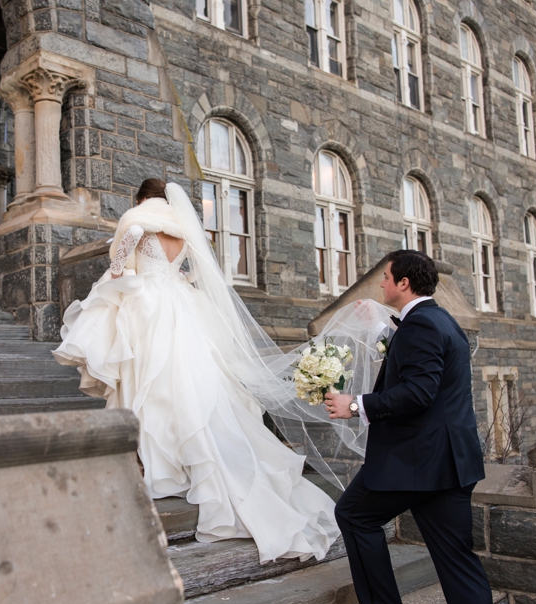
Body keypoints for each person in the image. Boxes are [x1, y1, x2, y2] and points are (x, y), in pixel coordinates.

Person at [53, 179, 340, 564]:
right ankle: (184, 460)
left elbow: (118, 269)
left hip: (150, 307)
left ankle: (155, 462)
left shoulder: (138, 222)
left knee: (151, 382)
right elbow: (188, 271)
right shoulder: (184, 229)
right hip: (184, 307)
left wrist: (118, 278)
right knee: (188, 384)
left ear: (141, 199)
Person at [323, 250, 497, 604]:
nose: (381, 283)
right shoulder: (440, 320)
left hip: (417, 462)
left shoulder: (421, 326)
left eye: (386, 277)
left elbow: (419, 393)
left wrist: (357, 405)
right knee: (459, 565)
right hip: (450, 465)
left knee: (353, 514)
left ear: (404, 283)